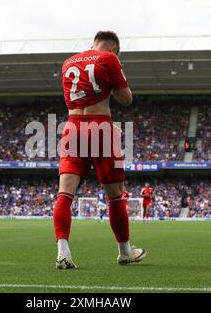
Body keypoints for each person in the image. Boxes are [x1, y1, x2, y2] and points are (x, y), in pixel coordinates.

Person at [53, 31, 146, 269]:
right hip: (100, 125)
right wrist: (117, 76)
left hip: (72, 126)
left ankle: (63, 252)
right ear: (114, 49)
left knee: (65, 192)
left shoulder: (68, 62)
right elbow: (127, 99)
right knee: (115, 194)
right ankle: (125, 251)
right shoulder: (110, 59)